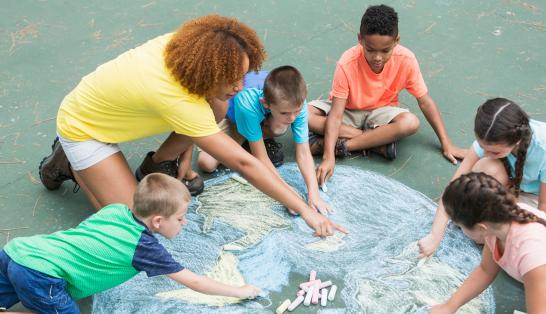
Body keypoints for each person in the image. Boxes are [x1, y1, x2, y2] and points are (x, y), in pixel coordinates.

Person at [37, 15, 345, 237]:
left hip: (113, 110)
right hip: (84, 130)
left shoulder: (190, 52)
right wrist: (304, 208)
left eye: (244, 75)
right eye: (232, 79)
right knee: (141, 227)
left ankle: (156, 166)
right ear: (208, 72)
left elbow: (203, 122)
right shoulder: (174, 98)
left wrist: (184, 167)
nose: (240, 86)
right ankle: (67, 161)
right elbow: (242, 161)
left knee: (220, 105)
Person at [0, 173, 261, 313]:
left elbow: (86, 239)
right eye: (180, 218)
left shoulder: (115, 211)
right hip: (40, 275)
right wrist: (239, 291)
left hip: (19, 251)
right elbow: (193, 281)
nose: (184, 223)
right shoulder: (144, 248)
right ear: (157, 221)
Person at [308, 4, 465, 186]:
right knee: (303, 115)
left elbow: (425, 102)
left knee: (411, 122)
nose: (377, 57)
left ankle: (344, 146)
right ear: (360, 39)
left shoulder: (406, 59)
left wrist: (447, 143)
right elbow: (335, 114)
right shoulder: (347, 62)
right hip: (347, 112)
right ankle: (376, 142)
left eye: (385, 50)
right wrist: (327, 158)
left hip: (381, 115)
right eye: (370, 49)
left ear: (396, 41)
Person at [419, 98, 546, 257]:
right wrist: (434, 236)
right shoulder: (492, 135)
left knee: (508, 240)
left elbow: (545, 209)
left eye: (494, 152)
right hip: (516, 186)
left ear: (516, 141)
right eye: (483, 148)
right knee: (486, 167)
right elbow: (453, 188)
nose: (485, 154)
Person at [197, 66, 331, 214]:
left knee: (279, 126)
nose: (293, 118)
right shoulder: (247, 102)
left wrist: (314, 195)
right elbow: (260, 157)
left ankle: (256, 136)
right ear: (265, 103)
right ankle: (252, 139)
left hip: (262, 117)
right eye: (285, 112)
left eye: (296, 111)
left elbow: (304, 153)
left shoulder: (296, 103)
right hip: (233, 118)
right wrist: (290, 196)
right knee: (206, 163)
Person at [429, 172, 546, 314]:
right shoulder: (496, 224)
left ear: (480, 227)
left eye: (460, 226)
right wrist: (449, 307)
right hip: (545, 273)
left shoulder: (531, 253)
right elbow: (485, 271)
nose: (459, 228)